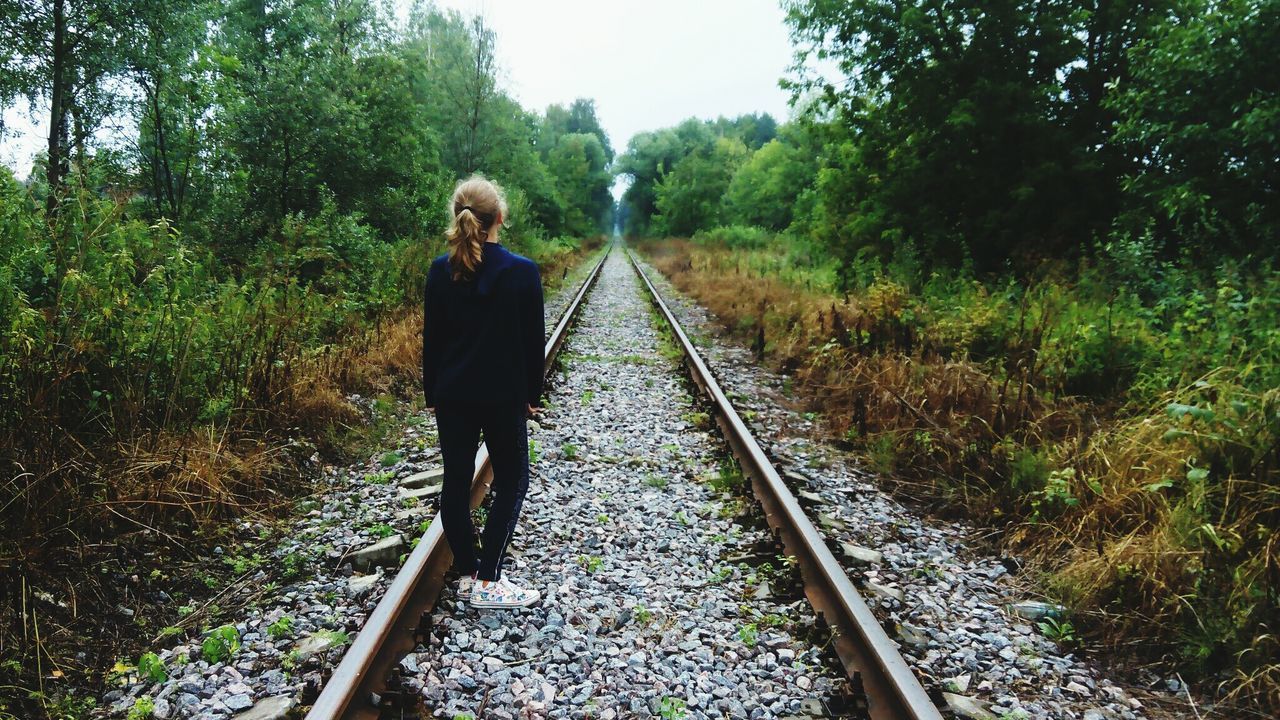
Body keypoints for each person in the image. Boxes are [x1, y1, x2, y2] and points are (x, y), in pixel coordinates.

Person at [422, 175, 544, 609]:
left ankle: (473, 571)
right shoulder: (523, 272)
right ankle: (488, 578)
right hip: (502, 396)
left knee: (455, 483)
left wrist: (430, 390)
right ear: (500, 217)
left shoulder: (441, 270)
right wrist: (533, 392)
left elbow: (431, 337)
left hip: (452, 395)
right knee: (512, 481)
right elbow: (534, 342)